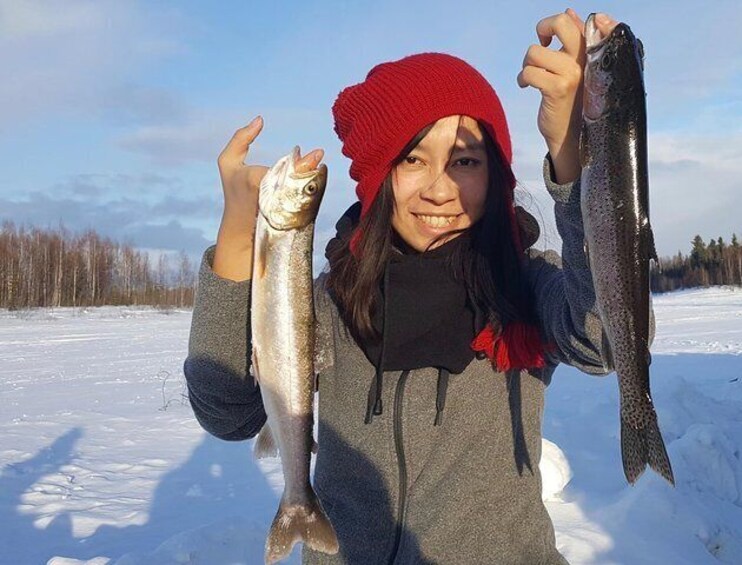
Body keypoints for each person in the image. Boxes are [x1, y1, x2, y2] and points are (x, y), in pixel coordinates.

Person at [185, 9, 626, 565]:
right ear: (377, 175)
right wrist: (237, 232)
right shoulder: (327, 303)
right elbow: (227, 413)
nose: (440, 190)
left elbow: (605, 339)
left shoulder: (523, 287)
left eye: (465, 160)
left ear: (494, 174)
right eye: (412, 158)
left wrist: (574, 157)